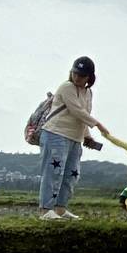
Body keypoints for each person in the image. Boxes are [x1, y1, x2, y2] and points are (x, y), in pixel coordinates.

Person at [38, 56, 104, 220]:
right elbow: (76, 111)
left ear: (89, 77)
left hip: (75, 138)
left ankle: (60, 208)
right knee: (54, 171)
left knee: (72, 174)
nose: (77, 77)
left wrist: (87, 136)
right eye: (75, 73)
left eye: (81, 75)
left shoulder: (88, 92)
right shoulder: (66, 87)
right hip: (56, 134)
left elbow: (84, 115)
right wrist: (97, 125)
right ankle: (46, 209)